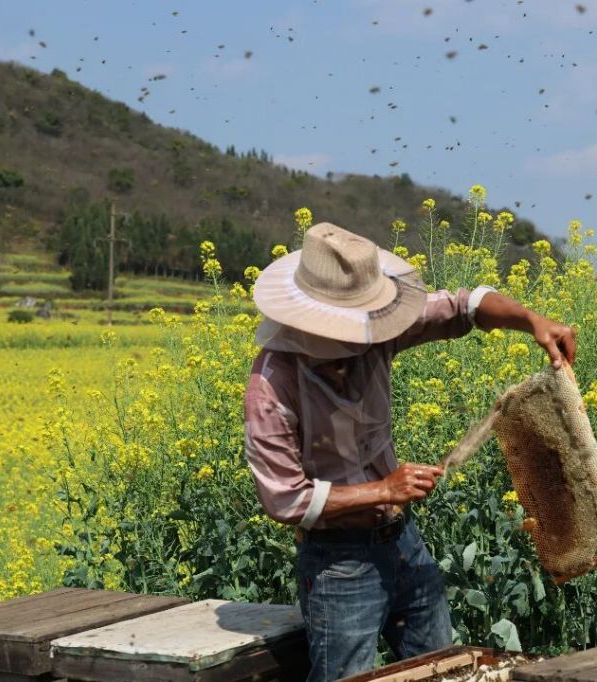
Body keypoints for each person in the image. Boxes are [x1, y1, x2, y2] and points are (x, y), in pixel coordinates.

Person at [244, 222, 576, 681]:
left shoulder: (377, 331)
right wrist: (382, 489)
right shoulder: (272, 386)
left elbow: (467, 306)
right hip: (338, 565)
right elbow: (285, 499)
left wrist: (531, 320)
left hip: (403, 543)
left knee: (445, 669)